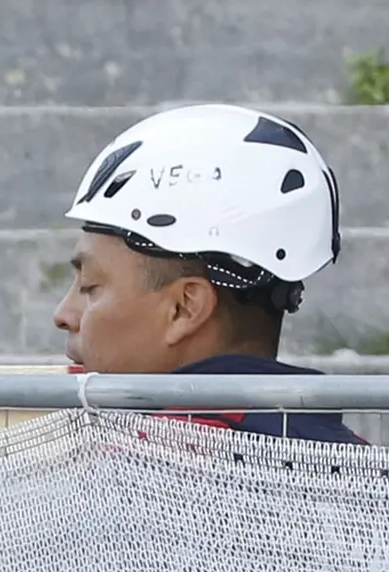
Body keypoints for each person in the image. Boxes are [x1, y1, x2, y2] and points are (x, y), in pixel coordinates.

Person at [55, 103, 359, 445]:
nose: (63, 315)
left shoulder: (140, 467)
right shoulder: (356, 464)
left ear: (185, 308)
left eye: (90, 286)